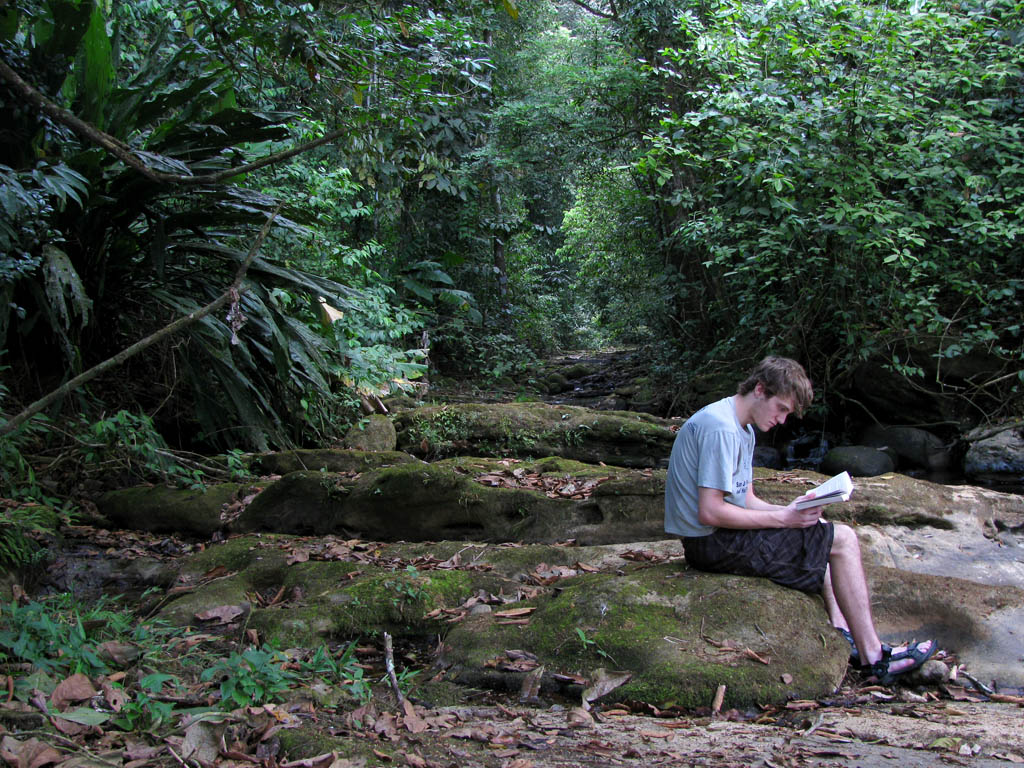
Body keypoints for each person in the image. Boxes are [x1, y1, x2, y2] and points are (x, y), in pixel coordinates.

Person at [665, 356, 935, 684]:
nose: (782, 419)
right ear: (760, 390)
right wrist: (782, 519)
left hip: (720, 535)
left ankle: (843, 634)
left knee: (818, 530)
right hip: (709, 543)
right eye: (781, 408)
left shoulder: (743, 428)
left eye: (787, 413)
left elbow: (746, 500)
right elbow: (710, 512)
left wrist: (793, 509)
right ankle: (874, 658)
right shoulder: (720, 428)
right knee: (844, 539)